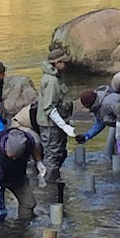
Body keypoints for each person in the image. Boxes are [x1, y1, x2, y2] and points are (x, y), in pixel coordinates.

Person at [37, 48, 75, 184]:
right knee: (52, 157)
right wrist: (64, 126)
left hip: (55, 124)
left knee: (58, 154)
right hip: (50, 126)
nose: (66, 65)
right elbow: (49, 108)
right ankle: (49, 186)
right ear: (57, 63)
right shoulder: (52, 81)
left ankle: (53, 180)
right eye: (64, 62)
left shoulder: (56, 77)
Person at [0, 128, 45, 219]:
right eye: (12, 157)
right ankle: (0, 228)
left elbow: (34, 147)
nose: (14, 159)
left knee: (29, 203)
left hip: (18, 177)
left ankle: (23, 226)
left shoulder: (28, 141)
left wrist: (39, 162)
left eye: (17, 156)